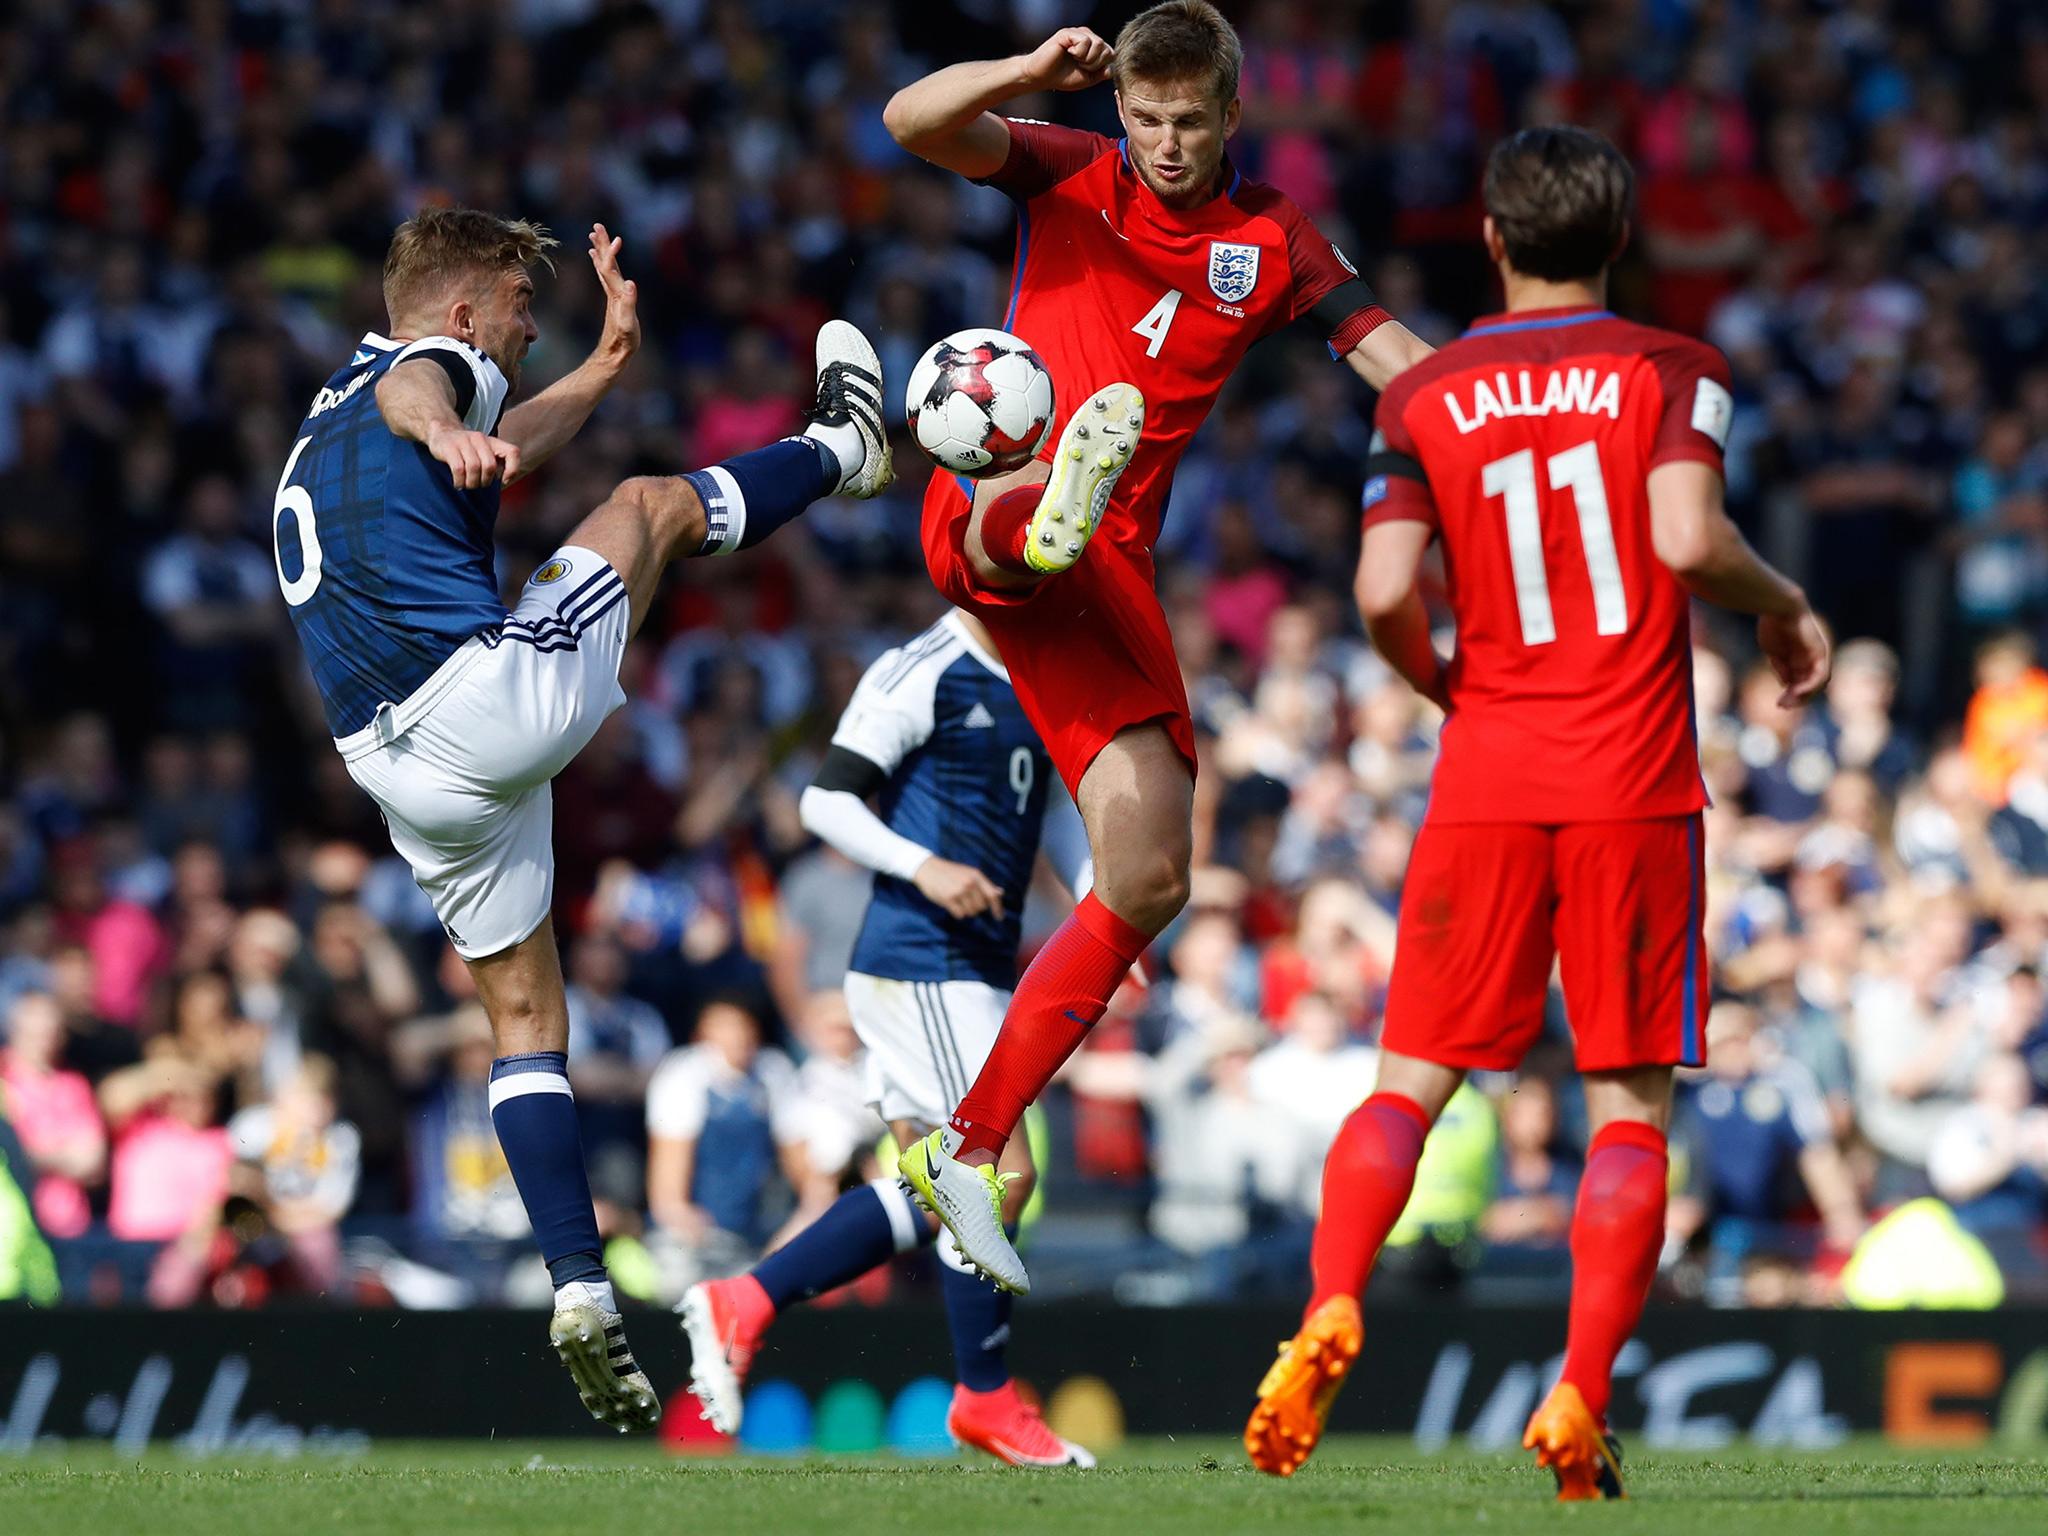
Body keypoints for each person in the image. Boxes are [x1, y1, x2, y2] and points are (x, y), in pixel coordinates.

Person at [1242, 126, 1831, 1499]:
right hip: (1632, 781)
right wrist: (1784, 604)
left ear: (1493, 240)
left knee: (1411, 1083)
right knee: (1627, 1109)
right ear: (1620, 241)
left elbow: (1386, 587)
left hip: (1488, 774)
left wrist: (1445, 685)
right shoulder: (1674, 367)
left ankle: (1333, 1300)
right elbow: (1688, 539)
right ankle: (1576, 1393)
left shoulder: (1426, 395)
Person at [270, 207, 892, 1430]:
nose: (528, 325)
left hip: (391, 765)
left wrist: (601, 368)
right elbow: (429, 401)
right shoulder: (418, 377)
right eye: (516, 307)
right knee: (653, 505)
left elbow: (479, 428)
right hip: (475, 701)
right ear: (460, 314)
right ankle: (842, 449)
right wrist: (448, 419)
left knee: (521, 1017)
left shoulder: (331, 406)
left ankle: (576, 1285)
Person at [878, 0, 1433, 1293]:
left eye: (1190, 123)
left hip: (1108, 570)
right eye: (1146, 119)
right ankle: (1037, 502)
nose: (1168, 145)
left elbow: (1390, 356)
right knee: (1016, 495)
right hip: (992, 502)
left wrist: (1493, 423)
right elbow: (909, 122)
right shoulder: (1068, 169)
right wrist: (1028, 69)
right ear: (1116, 112)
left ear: (1233, 116)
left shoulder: (1272, 236)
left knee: (1149, 872)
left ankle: (966, 1142)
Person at [681, 608, 1095, 1466]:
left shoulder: (1037, 666)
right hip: (922, 963)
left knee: (938, 1192)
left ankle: (746, 1301)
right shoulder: (922, 668)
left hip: (970, 968)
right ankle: (985, 1398)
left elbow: (1033, 822)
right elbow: (823, 800)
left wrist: (1093, 918)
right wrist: (923, 865)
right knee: (997, 1174)